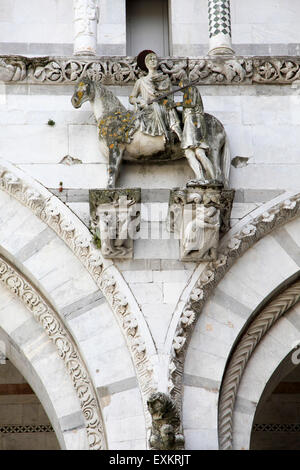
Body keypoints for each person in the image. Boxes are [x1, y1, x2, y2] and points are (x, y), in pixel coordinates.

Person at [129, 50, 182, 142]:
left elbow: (170, 98)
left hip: (163, 105)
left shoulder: (165, 79)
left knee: (169, 108)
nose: (153, 61)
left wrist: (162, 97)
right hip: (147, 107)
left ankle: (178, 132)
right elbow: (131, 98)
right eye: (150, 59)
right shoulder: (141, 81)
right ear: (146, 63)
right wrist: (140, 101)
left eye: (155, 59)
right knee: (154, 108)